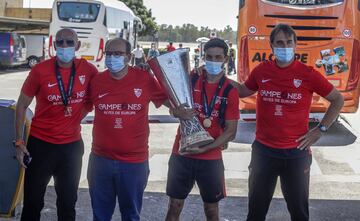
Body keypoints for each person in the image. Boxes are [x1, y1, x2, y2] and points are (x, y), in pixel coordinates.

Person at [230, 24, 344, 221]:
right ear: (272, 46)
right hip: (264, 152)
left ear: (295, 44)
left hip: (296, 153)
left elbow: (338, 99)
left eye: (288, 42)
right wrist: (217, 77)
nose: (284, 47)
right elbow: (242, 91)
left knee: (299, 213)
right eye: (279, 43)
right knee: (255, 212)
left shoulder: (307, 74)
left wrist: (320, 129)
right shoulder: (262, 71)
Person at [14, 28, 98, 221]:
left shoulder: (88, 70)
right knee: (33, 203)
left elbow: (99, 94)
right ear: (54, 45)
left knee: (68, 204)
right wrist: (19, 143)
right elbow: (21, 106)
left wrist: (77, 116)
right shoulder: (40, 70)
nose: (64, 46)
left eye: (69, 42)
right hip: (41, 145)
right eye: (60, 42)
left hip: (71, 149)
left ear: (77, 45)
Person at [87, 38, 168, 221]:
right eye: (109, 53)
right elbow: (80, 108)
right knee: (100, 216)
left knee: (131, 215)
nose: (112, 57)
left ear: (129, 56)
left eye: (118, 53)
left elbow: (170, 102)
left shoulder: (144, 79)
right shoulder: (97, 81)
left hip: (134, 163)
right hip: (100, 161)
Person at [165, 38, 240, 221]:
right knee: (174, 206)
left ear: (225, 58)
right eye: (209, 57)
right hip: (182, 152)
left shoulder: (230, 90)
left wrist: (207, 148)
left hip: (210, 157)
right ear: (203, 57)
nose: (213, 61)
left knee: (211, 209)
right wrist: (176, 112)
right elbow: (172, 104)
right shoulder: (192, 78)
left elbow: (231, 132)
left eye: (218, 57)